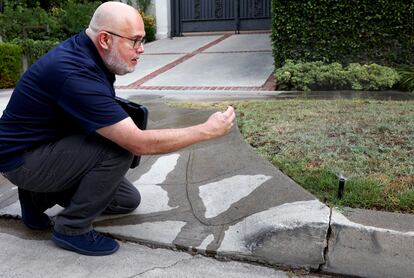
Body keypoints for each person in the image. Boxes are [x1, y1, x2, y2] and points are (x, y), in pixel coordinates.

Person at [0, 1, 235, 256]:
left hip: (41, 149)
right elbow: (138, 143)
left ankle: (36, 199)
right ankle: (72, 229)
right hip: (22, 160)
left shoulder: (88, 53)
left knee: (126, 201)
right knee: (119, 148)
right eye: (135, 40)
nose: (141, 49)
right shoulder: (74, 72)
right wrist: (207, 130)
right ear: (104, 39)